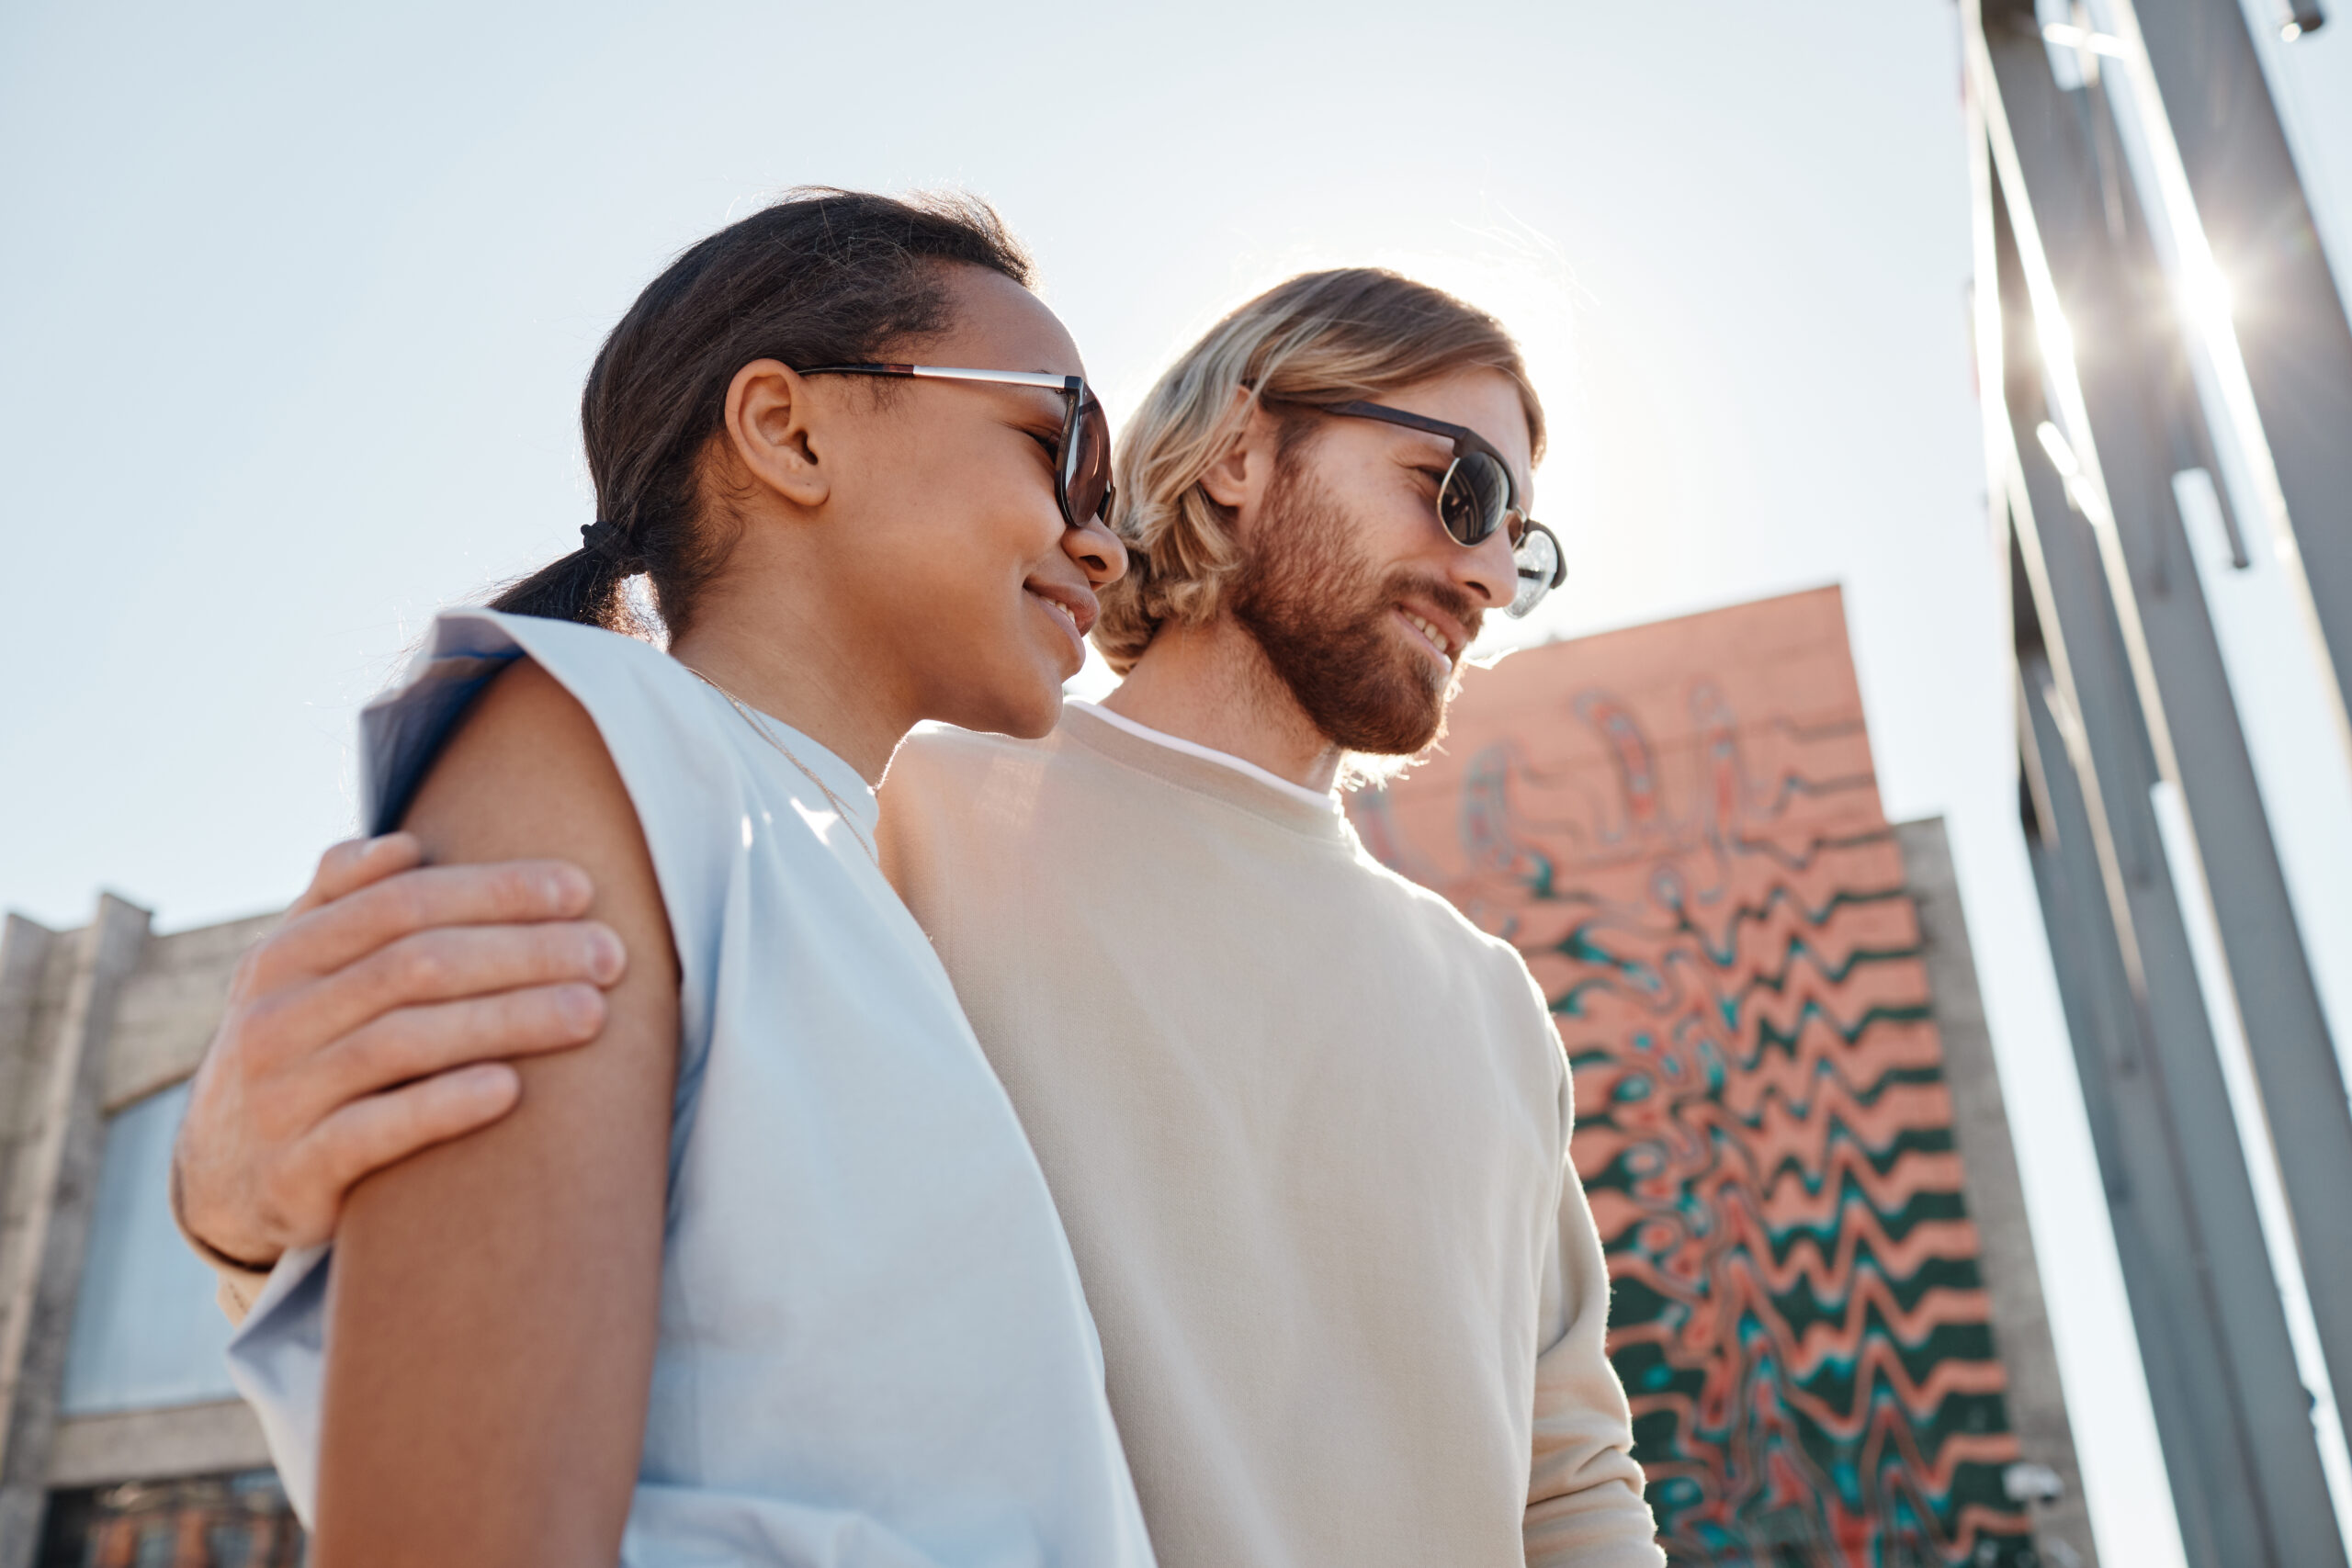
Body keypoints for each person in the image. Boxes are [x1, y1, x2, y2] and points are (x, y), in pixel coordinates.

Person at [180, 266, 1667, 1567]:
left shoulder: (1491, 1002)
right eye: (1459, 490)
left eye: (1521, 546)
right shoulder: (890, 809)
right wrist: (244, 1210)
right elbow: (557, 1257)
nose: (1485, 573)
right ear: (1233, 453)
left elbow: (1574, 1487)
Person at [203, 186, 1158, 1568]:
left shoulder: (827, 867)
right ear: (788, 429)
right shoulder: (587, 740)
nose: (1100, 540)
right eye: (1057, 444)